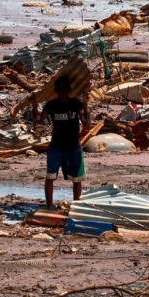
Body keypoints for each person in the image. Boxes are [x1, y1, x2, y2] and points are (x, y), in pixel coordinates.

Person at [29, 75, 87, 209]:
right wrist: (34, 104)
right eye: (59, 89)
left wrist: (86, 103)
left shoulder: (75, 104)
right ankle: (49, 206)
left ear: (68, 89)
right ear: (56, 90)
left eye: (64, 88)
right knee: (50, 177)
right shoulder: (52, 105)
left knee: (77, 179)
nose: (62, 91)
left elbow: (85, 122)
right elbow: (38, 120)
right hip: (57, 146)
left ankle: (76, 207)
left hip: (73, 146)